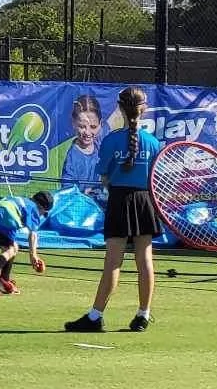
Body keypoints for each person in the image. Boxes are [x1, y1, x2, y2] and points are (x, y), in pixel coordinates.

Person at [64, 85, 162, 334]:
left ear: (120, 108)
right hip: (144, 201)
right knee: (145, 260)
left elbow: (105, 176)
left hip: (119, 200)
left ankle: (95, 316)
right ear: (144, 109)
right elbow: (155, 178)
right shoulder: (153, 143)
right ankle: (143, 314)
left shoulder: (110, 141)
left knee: (113, 262)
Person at [0, 188, 54, 294]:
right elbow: (33, 234)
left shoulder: (17, 199)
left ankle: (3, 280)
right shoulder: (34, 209)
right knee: (11, 250)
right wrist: (33, 255)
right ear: (41, 207)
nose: (41, 215)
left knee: (13, 247)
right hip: (7, 218)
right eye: (43, 213)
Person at [60, 93, 105, 191]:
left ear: (100, 124)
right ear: (73, 123)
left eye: (93, 127)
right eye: (82, 127)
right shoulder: (70, 157)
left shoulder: (103, 148)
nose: (87, 132)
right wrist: (85, 195)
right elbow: (67, 190)